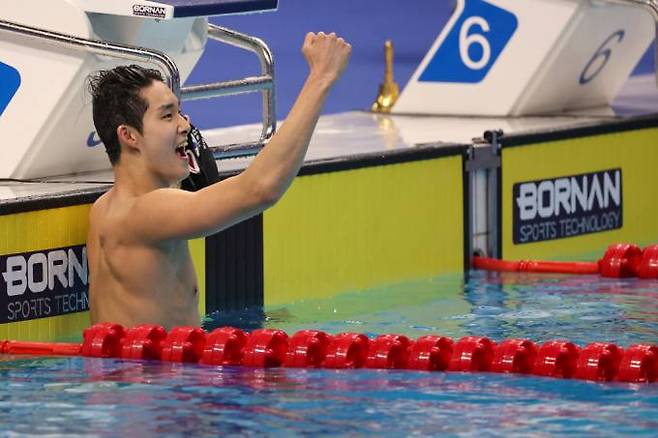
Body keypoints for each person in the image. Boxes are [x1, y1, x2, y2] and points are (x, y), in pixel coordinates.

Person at [86, 32, 351, 330]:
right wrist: (321, 78)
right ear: (129, 136)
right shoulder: (145, 212)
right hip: (157, 376)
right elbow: (260, 189)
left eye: (180, 113)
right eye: (167, 116)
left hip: (134, 371)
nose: (185, 125)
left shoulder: (105, 208)